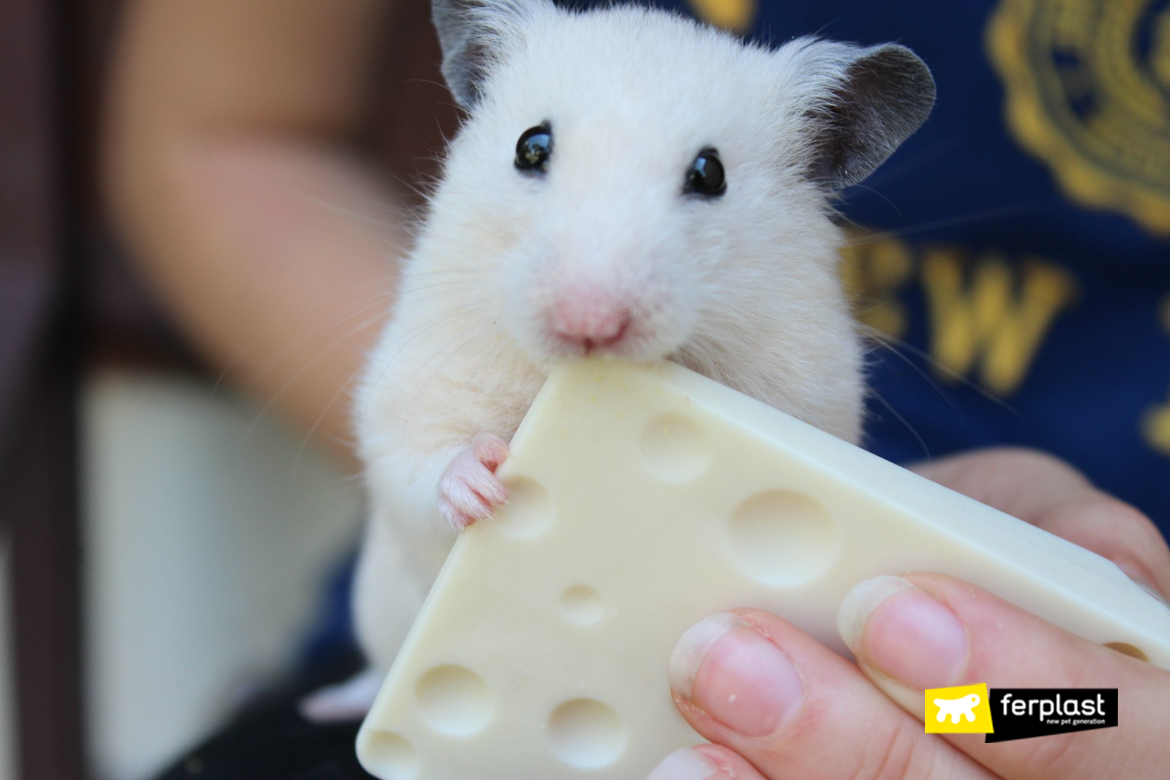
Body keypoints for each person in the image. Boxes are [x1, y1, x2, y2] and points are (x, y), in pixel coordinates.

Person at [102, 1, 1170, 778]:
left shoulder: (792, 275)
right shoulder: (475, 250)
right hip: (446, 650)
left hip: (981, 688)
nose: (593, 306)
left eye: (701, 183)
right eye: (537, 155)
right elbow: (224, 130)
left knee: (1035, 716)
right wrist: (467, 485)